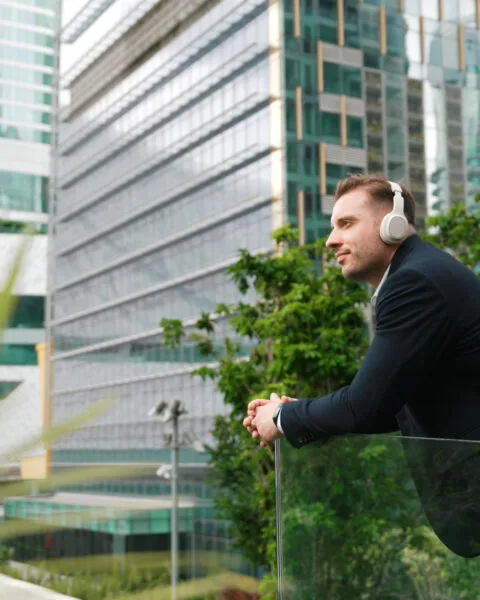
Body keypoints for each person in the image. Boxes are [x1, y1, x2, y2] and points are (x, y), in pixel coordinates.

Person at [243, 175, 480, 449]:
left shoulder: (414, 283)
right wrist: (303, 414)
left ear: (394, 225)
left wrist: (281, 417)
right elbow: (389, 406)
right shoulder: (423, 271)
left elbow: (363, 407)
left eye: (346, 224)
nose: (331, 240)